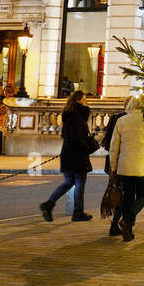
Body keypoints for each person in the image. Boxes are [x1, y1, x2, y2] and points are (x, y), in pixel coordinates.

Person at [107, 93, 144, 241]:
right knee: (143, 196)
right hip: (143, 166)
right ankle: (127, 222)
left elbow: (114, 147)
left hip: (125, 166)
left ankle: (128, 230)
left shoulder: (122, 121)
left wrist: (113, 167)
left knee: (127, 197)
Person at [39, 91, 98, 222]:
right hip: (77, 155)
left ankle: (49, 204)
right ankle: (78, 212)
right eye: (84, 99)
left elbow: (67, 136)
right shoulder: (77, 117)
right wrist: (87, 147)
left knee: (69, 182)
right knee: (79, 183)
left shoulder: (69, 116)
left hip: (67, 154)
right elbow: (76, 138)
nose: (86, 101)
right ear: (78, 101)